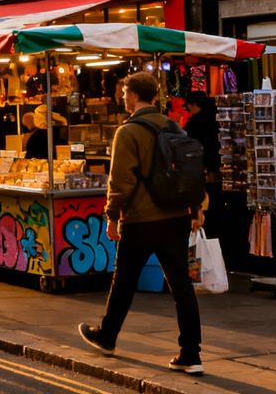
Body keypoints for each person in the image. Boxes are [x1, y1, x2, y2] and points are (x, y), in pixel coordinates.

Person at [79, 72, 206, 376]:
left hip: (141, 219)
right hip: (175, 217)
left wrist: (111, 216)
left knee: (123, 282)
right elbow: (188, 173)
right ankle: (191, 354)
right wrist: (195, 209)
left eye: (124, 93)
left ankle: (107, 337)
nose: (122, 98)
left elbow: (121, 180)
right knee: (182, 288)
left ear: (134, 95)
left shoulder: (129, 131)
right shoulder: (173, 125)